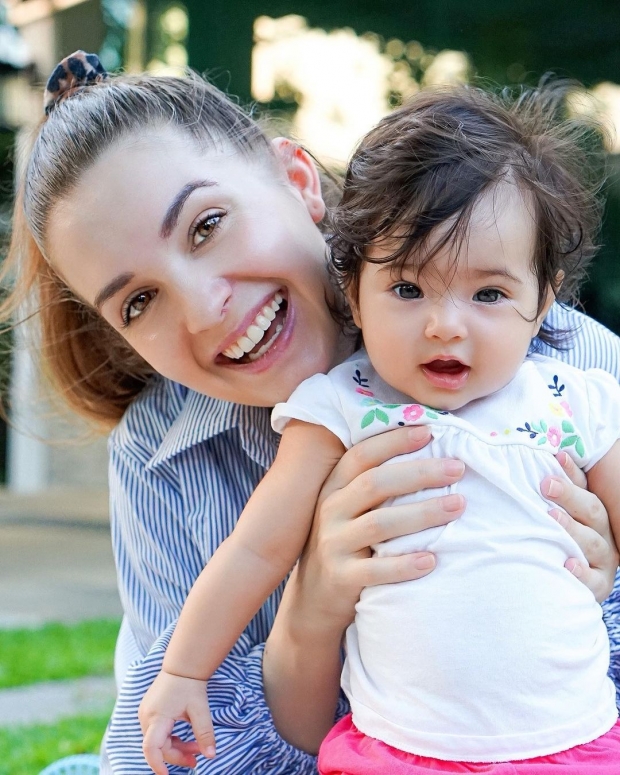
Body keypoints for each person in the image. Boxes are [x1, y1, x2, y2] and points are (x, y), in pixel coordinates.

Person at [4, 51, 619, 774]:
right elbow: (173, 753)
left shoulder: (563, 364)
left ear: (297, 181)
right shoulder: (158, 448)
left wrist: (606, 599)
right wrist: (310, 612)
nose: (205, 311)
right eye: (139, 302)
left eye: (206, 226)